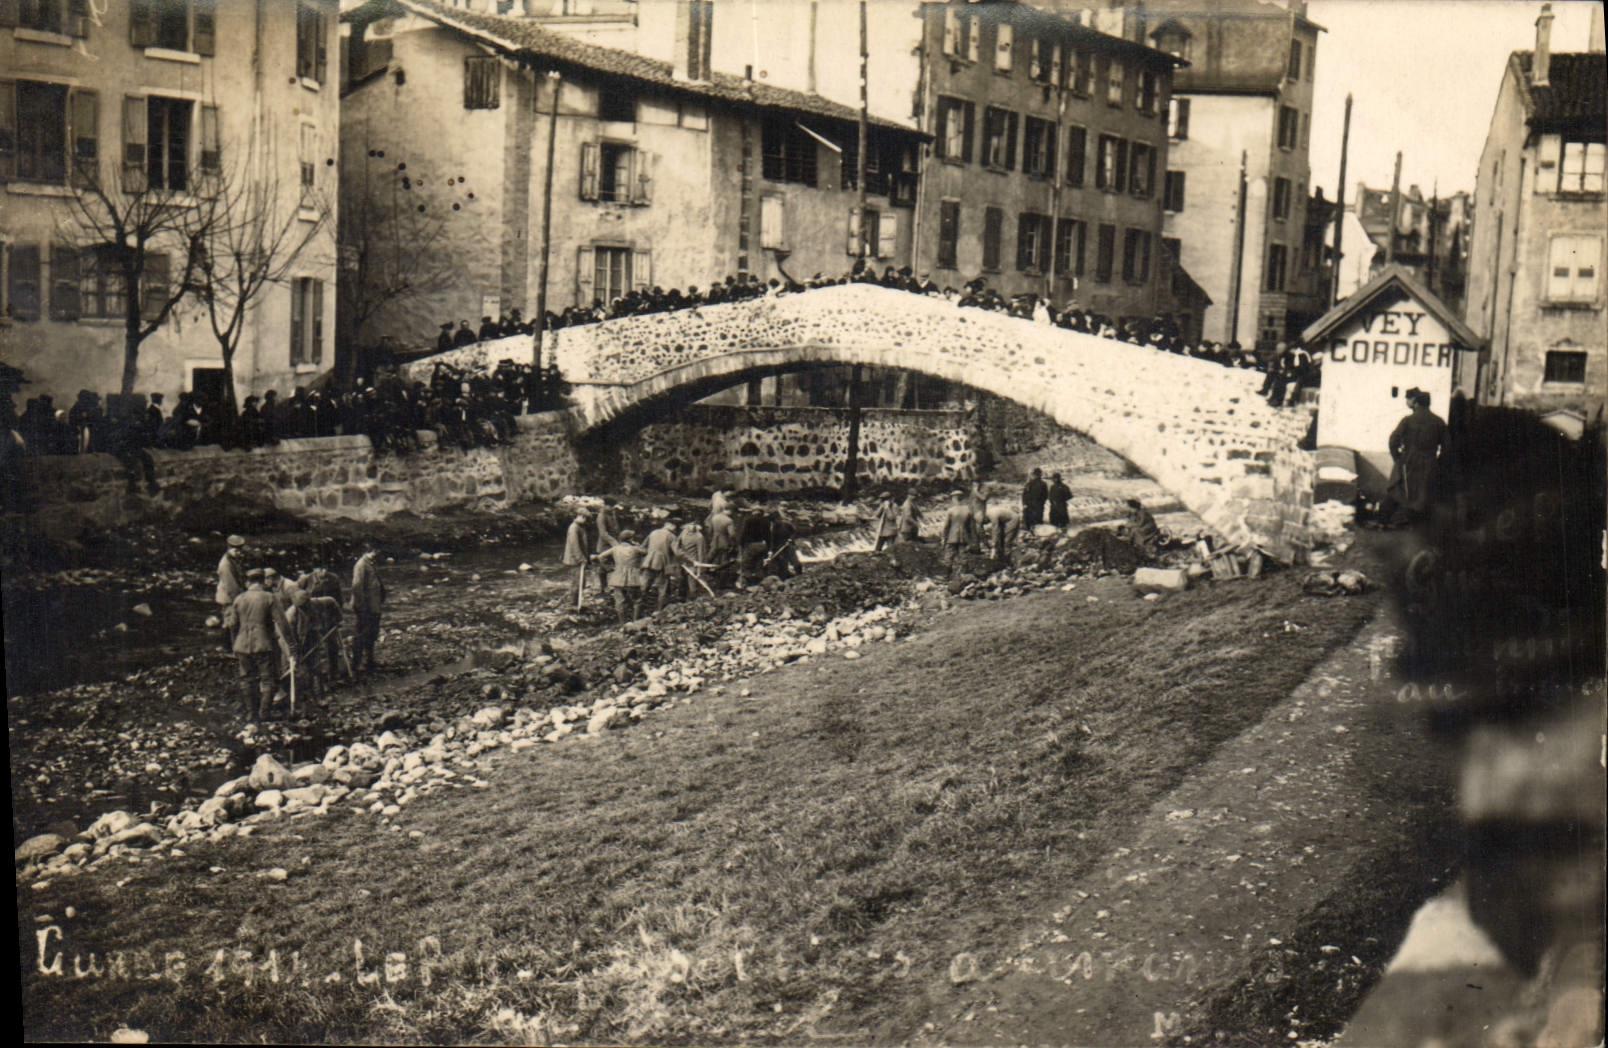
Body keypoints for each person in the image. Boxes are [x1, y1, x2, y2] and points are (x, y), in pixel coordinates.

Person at [225, 568, 291, 721]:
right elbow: (282, 624)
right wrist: (291, 645)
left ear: (248, 582)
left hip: (241, 644)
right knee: (268, 679)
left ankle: (250, 713)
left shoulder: (239, 598)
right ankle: (264, 713)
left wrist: (234, 644)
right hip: (263, 643)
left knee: (247, 678)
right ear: (262, 582)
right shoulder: (270, 597)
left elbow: (232, 625)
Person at [1380, 389, 1448, 526]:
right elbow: (1447, 448)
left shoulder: (1408, 420)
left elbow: (1393, 441)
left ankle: (1385, 525)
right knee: (1423, 499)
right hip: (1429, 466)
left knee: (1397, 494)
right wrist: (1437, 463)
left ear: (1416, 403)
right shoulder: (1439, 422)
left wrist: (1398, 459)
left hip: (1408, 465)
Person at [595, 528, 646, 624]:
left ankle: (622, 624)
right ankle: (635, 622)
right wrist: (636, 544)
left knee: (619, 601)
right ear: (631, 539)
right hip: (633, 577)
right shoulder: (635, 549)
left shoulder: (615, 548)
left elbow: (600, 556)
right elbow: (645, 552)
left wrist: (608, 567)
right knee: (637, 600)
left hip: (618, 576)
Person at [350, 541, 386, 676]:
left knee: (372, 633)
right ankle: (357, 664)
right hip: (365, 607)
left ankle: (369, 660)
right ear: (369, 551)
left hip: (374, 606)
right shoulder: (360, 565)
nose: (376, 554)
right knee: (361, 634)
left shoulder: (370, 563)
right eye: (374, 551)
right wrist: (361, 607)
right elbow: (357, 587)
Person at [215, 535, 248, 646]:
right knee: (231, 622)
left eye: (240, 550)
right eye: (236, 550)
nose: (239, 553)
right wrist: (240, 600)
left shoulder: (233, 560)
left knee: (233, 622)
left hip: (232, 595)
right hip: (228, 598)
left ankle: (229, 646)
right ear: (229, 548)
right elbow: (231, 586)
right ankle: (229, 648)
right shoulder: (225, 565)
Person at [642, 518, 679, 613]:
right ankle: (659, 610)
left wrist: (650, 554)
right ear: (669, 525)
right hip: (662, 563)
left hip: (648, 562)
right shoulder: (671, 536)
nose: (674, 528)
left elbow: (643, 546)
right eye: (674, 526)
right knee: (662, 587)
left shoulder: (653, 532)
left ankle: (641, 607)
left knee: (645, 584)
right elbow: (677, 552)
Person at [942, 490, 975, 575]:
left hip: (952, 537)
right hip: (964, 537)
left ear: (954, 499)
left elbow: (946, 527)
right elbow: (971, 527)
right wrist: (971, 540)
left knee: (949, 556)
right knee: (963, 556)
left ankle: (946, 575)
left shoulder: (951, 511)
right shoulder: (968, 510)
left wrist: (943, 538)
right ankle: (964, 575)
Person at [562, 510, 591, 605]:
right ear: (579, 516)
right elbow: (574, 545)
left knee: (581, 582)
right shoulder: (573, 528)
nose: (585, 520)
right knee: (577, 582)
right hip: (574, 560)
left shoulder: (580, 527)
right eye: (584, 518)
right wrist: (580, 559)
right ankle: (573, 603)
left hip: (579, 559)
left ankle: (577, 602)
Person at [675, 520, 708, 601]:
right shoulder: (683, 533)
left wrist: (700, 569)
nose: (692, 526)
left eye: (694, 525)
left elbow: (701, 553)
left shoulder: (699, 537)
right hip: (682, 561)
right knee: (681, 580)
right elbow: (676, 545)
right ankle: (680, 600)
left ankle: (692, 600)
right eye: (690, 524)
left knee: (692, 583)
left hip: (693, 562)